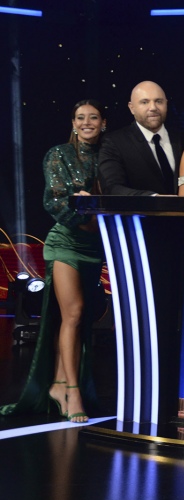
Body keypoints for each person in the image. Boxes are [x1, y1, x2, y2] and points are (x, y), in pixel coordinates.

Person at [1, 100, 107, 423]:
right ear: (73, 123)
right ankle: (72, 392)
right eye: (80, 117)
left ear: (103, 123)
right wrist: (86, 213)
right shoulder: (58, 154)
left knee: (80, 317)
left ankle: (59, 384)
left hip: (95, 246)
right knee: (72, 313)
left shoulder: (109, 155)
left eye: (93, 117)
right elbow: (55, 201)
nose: (87, 122)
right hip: (65, 243)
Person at [99, 81, 182, 196]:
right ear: (132, 108)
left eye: (159, 101)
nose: (153, 108)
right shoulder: (114, 143)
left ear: (166, 104)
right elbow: (112, 188)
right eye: (144, 102)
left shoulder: (183, 140)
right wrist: (154, 198)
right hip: (140, 208)